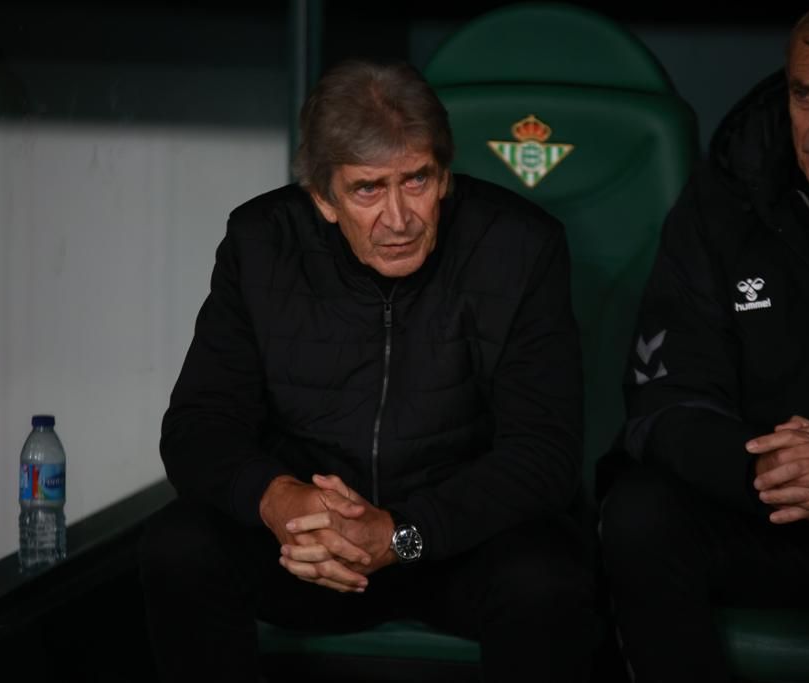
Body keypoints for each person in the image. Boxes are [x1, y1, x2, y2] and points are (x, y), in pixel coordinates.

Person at [139, 59, 594, 682]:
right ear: (323, 197)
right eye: (367, 189)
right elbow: (196, 427)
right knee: (178, 545)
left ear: (445, 175)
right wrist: (280, 502)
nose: (400, 218)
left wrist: (402, 534)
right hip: (308, 549)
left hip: (451, 547)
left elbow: (544, 456)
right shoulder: (260, 242)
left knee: (549, 576)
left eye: (417, 180)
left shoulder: (522, 246)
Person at [598, 0, 809, 680]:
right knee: (638, 512)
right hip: (766, 516)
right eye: (805, 95)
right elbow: (664, 402)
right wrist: (764, 470)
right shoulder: (730, 197)